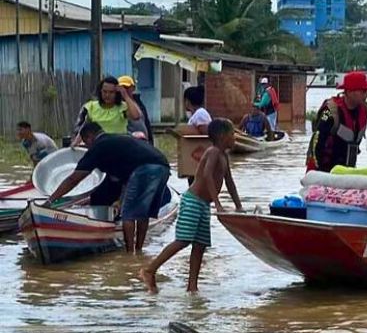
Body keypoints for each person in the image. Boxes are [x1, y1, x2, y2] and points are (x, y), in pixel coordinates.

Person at [139, 119, 243, 294]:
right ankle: (149, 270)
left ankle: (192, 286)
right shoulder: (212, 152)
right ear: (222, 136)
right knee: (183, 240)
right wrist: (217, 203)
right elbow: (207, 174)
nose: (235, 137)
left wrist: (239, 206)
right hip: (193, 201)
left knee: (200, 244)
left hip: (203, 204)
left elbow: (230, 182)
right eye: (232, 134)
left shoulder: (223, 156)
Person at [45, 122, 171, 254]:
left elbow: (73, 179)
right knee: (142, 213)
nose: (87, 147)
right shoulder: (117, 140)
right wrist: (119, 201)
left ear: (89, 137)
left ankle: (129, 254)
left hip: (145, 169)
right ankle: (139, 251)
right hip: (163, 166)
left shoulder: (98, 147)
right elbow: (126, 181)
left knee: (128, 214)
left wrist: (50, 201)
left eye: (86, 143)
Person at [73, 76, 142, 141]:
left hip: (119, 145)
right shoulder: (92, 106)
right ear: (100, 91)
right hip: (98, 146)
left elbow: (136, 116)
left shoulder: (122, 108)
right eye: (104, 91)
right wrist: (77, 141)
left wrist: (125, 95)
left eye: (111, 92)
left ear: (116, 93)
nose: (107, 95)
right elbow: (84, 127)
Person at [118, 75, 154, 145]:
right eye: (122, 88)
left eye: (126, 87)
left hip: (144, 140)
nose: (124, 90)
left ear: (133, 88)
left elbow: (146, 122)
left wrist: (150, 141)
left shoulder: (138, 102)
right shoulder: (120, 105)